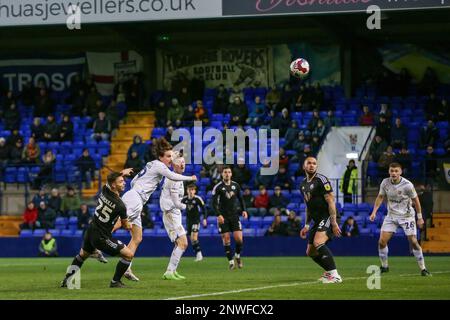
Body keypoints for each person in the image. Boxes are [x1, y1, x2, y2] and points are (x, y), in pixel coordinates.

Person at [119, 138, 197, 281]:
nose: (182, 163)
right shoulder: (165, 170)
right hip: (142, 200)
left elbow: (136, 179)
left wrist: (179, 152)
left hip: (138, 197)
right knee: (119, 222)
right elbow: (172, 178)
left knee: (137, 238)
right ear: (162, 157)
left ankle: (126, 267)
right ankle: (100, 242)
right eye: (169, 157)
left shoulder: (152, 164)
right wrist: (190, 178)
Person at [61, 171, 135, 288]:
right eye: (121, 181)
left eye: (123, 181)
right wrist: (130, 224)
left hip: (91, 230)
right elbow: (126, 226)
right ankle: (115, 282)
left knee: (82, 255)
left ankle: (67, 280)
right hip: (102, 237)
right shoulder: (120, 205)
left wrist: (121, 173)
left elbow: (110, 179)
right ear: (114, 185)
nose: (124, 183)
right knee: (128, 255)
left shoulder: (105, 190)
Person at [369, 162, 431, 276]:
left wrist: (420, 217)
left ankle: (423, 268)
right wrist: (374, 212)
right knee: (382, 242)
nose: (394, 173)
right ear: (389, 171)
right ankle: (384, 266)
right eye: (392, 171)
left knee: (413, 242)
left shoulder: (407, 185)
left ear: (400, 172)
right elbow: (380, 197)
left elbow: (416, 201)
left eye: (396, 171)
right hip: (391, 216)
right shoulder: (385, 182)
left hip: (406, 216)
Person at [299, 157, 343, 283]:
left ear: (316, 166)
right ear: (304, 166)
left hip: (327, 216)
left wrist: (334, 223)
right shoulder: (303, 184)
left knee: (318, 242)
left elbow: (331, 201)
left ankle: (335, 275)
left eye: (314, 163)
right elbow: (308, 206)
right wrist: (307, 225)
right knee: (310, 252)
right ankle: (329, 273)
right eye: (309, 163)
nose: (312, 165)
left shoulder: (321, 180)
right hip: (317, 220)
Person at [160, 152, 191, 280]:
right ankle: (169, 271)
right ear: (174, 165)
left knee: (179, 244)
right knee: (183, 243)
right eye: (180, 162)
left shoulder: (178, 177)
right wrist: (186, 207)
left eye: (184, 162)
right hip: (171, 213)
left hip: (173, 214)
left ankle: (171, 271)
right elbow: (176, 202)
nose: (183, 164)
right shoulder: (174, 178)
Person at [211, 166, 248, 270]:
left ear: (231, 174)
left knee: (239, 239)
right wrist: (218, 215)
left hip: (234, 216)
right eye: (225, 172)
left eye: (229, 172)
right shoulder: (218, 187)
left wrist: (244, 210)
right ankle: (231, 262)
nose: (227, 174)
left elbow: (241, 199)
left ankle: (237, 256)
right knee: (226, 239)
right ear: (222, 174)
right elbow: (213, 203)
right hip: (223, 217)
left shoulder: (236, 185)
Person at [182, 184, 207, 262]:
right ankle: (198, 254)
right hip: (188, 221)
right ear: (187, 191)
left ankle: (199, 255)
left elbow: (204, 209)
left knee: (194, 237)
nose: (191, 192)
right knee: (191, 239)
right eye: (189, 190)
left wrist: (205, 219)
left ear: (195, 191)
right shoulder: (184, 199)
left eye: (192, 190)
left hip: (196, 220)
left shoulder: (197, 199)